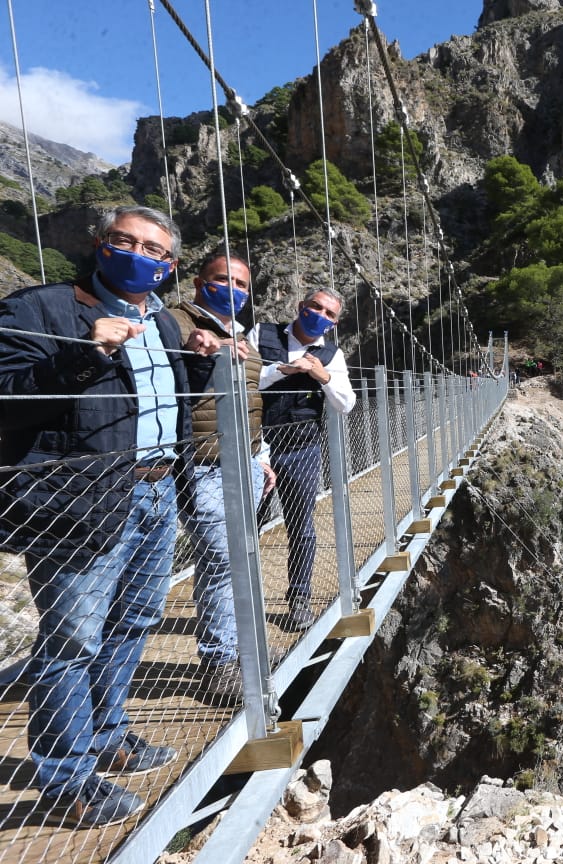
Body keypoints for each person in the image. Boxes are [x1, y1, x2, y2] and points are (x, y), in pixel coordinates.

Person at [0, 205, 198, 826]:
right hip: (82, 497)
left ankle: (109, 732)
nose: (139, 255)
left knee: (136, 617)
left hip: (157, 488)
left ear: (168, 267)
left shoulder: (163, 322)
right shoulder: (41, 308)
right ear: (99, 243)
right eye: (124, 241)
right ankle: (68, 781)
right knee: (73, 639)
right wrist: (85, 351)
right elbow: (8, 399)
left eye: (155, 251)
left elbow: (169, 403)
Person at [169, 251, 277, 698]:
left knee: (239, 561)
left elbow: (251, 401)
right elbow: (165, 377)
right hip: (203, 464)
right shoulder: (174, 323)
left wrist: (262, 454)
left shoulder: (241, 334)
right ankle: (219, 664)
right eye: (222, 279)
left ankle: (236, 651)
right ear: (198, 282)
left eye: (241, 284)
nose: (232, 289)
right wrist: (194, 352)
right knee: (224, 563)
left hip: (246, 463)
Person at [250, 287, 355, 632]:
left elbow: (345, 404)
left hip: (302, 448)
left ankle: (298, 600)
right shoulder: (260, 334)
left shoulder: (331, 355)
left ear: (334, 322)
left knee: (302, 528)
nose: (320, 315)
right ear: (301, 306)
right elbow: (242, 379)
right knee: (245, 528)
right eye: (315, 307)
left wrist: (321, 376)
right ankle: (242, 602)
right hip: (254, 447)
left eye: (329, 313)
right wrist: (285, 369)